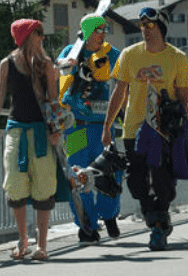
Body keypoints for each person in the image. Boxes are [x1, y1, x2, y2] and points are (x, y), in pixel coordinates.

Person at [102, 6, 188, 251]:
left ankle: (158, 223)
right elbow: (119, 93)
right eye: (142, 26)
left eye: (150, 25)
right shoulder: (130, 54)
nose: (145, 30)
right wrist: (107, 126)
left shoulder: (177, 58)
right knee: (136, 181)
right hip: (133, 129)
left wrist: (183, 130)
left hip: (164, 130)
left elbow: (185, 97)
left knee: (162, 177)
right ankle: (155, 219)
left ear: (161, 28)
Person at [0, 18, 60, 261]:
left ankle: (42, 246)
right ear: (26, 37)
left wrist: (56, 130)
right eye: (38, 33)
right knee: (15, 185)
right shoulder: (7, 64)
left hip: (42, 132)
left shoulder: (47, 65)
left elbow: (54, 102)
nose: (42, 37)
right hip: (16, 131)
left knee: (43, 187)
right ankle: (22, 242)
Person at [56, 14, 123, 245]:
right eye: (99, 29)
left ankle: (110, 214)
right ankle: (88, 226)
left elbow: (125, 68)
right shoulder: (71, 50)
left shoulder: (109, 52)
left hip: (103, 126)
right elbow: (59, 69)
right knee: (77, 175)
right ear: (87, 31)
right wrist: (69, 65)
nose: (104, 33)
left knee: (110, 170)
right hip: (76, 127)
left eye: (105, 29)